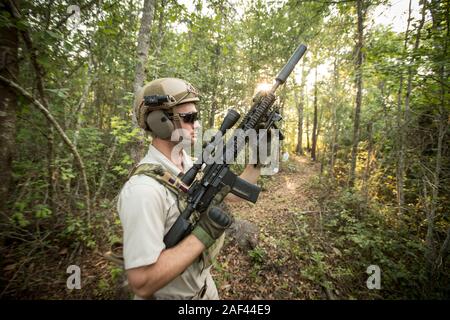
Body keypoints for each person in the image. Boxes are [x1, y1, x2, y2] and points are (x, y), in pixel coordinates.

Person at [117, 78, 261, 299]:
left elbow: (234, 194)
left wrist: (261, 147)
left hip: (206, 290)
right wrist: (203, 234)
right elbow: (142, 283)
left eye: (196, 117)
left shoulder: (188, 163)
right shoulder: (142, 191)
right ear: (160, 122)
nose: (198, 125)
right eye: (189, 118)